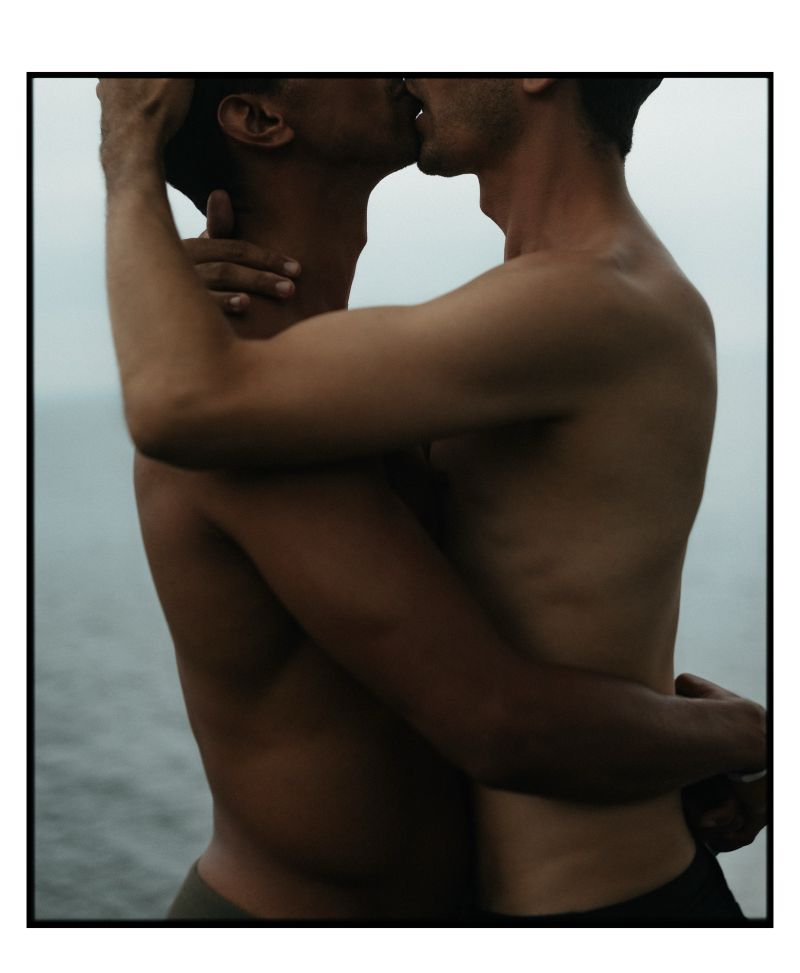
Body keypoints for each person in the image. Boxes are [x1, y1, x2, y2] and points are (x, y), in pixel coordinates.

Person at [96, 76, 766, 925]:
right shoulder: (243, 416)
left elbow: (533, 608)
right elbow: (498, 719)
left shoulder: (354, 382)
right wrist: (746, 737)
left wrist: (674, 741)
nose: (400, 54)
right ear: (263, 119)